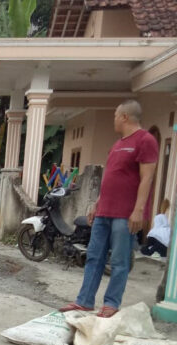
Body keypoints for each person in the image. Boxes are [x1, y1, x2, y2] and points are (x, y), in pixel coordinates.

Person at [59, 100, 158, 318]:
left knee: (119, 261)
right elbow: (112, 178)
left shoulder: (145, 140)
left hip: (125, 214)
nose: (114, 119)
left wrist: (139, 210)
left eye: (115, 115)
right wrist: (98, 203)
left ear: (125, 117)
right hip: (104, 211)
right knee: (94, 256)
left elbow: (147, 178)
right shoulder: (117, 145)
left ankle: (111, 304)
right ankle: (84, 301)